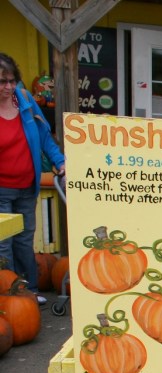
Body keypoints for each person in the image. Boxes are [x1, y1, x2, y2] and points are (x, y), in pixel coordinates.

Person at [0, 53, 65, 304]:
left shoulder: (25, 101)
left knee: (24, 241)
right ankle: (8, 295)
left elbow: (45, 136)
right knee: (3, 244)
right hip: (1, 190)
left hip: (27, 186)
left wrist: (60, 162)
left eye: (11, 80)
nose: (7, 87)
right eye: (2, 82)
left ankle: (30, 291)